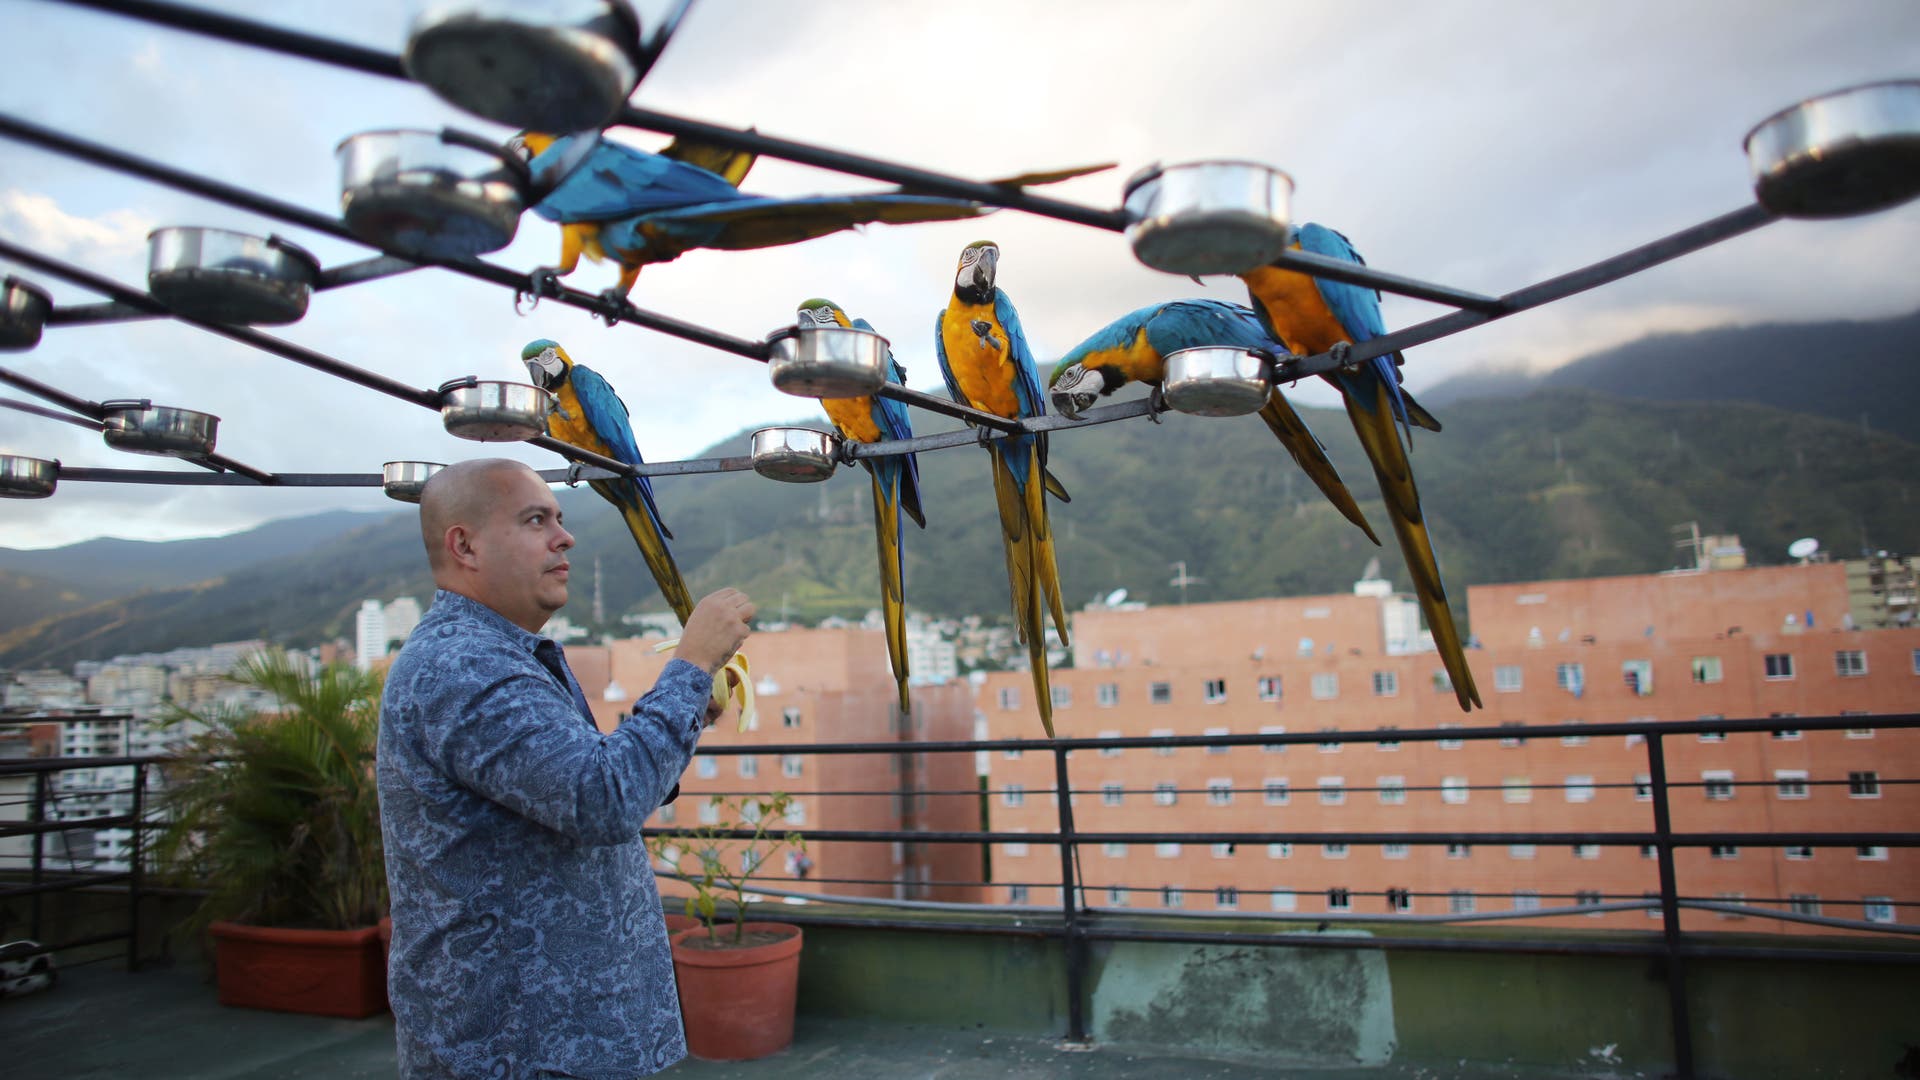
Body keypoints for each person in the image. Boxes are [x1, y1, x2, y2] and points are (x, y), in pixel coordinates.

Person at [378, 458, 754, 1079]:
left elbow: (580, 783)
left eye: (559, 518)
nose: (565, 536)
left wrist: (687, 712)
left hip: (560, 1033)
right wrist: (690, 663)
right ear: (464, 545)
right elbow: (601, 799)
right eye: (535, 520)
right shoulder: (463, 666)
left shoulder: (497, 656)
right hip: (520, 1043)